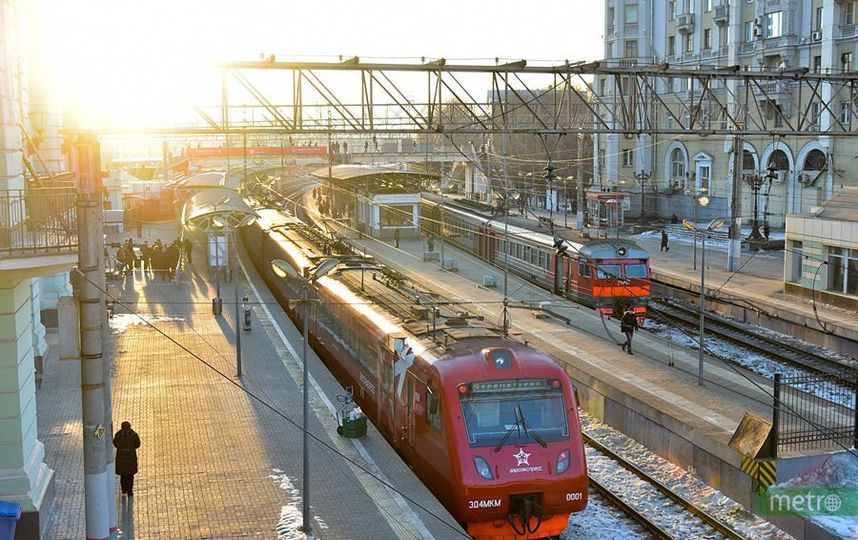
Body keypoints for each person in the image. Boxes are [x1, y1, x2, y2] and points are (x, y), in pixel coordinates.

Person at [113, 421, 141, 496]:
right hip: (131, 457)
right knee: (130, 475)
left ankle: (124, 489)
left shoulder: (118, 435)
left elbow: (115, 443)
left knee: (123, 475)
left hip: (121, 457)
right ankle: (130, 491)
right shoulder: (133, 435)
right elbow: (138, 444)